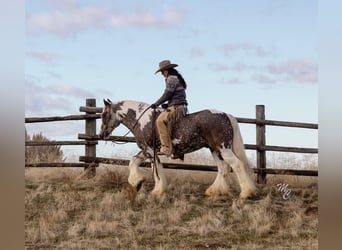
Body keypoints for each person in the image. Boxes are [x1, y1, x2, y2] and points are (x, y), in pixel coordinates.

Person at [150, 60, 188, 156]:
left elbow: (167, 94)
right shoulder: (176, 78)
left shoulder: (171, 79)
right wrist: (167, 104)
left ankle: (166, 147)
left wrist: (156, 103)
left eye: (162, 72)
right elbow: (175, 95)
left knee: (159, 121)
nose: (162, 74)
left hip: (176, 108)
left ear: (166, 71)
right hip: (177, 105)